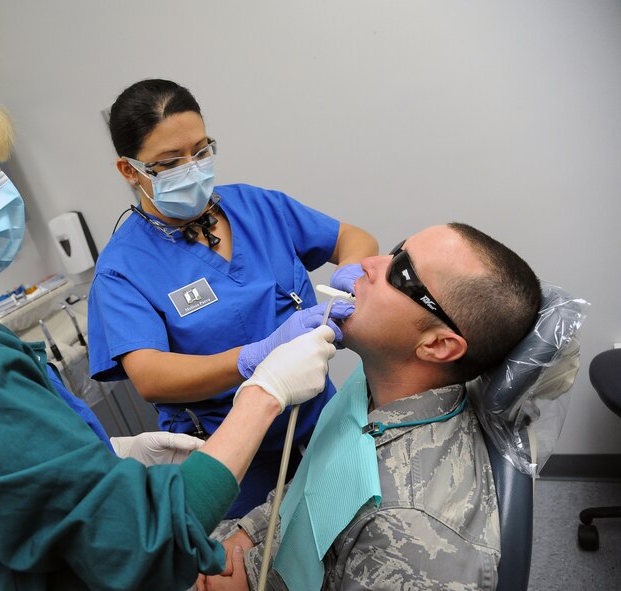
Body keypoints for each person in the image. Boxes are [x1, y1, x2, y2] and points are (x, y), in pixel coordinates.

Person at [0, 55, 340, 590]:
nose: (3, 189)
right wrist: (264, 388)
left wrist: (108, 457)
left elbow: (20, 494)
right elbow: (141, 542)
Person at [88, 79, 378, 518]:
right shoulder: (122, 268)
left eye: (201, 152)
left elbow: (352, 238)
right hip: (232, 459)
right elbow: (150, 376)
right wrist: (254, 358)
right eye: (170, 163)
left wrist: (351, 272)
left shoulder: (254, 206)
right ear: (130, 171)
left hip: (321, 422)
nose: (193, 168)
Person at [198, 223, 542, 591]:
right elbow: (315, 483)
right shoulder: (375, 391)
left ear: (438, 345)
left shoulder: (410, 534)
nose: (369, 264)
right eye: (394, 251)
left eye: (401, 273)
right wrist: (249, 535)